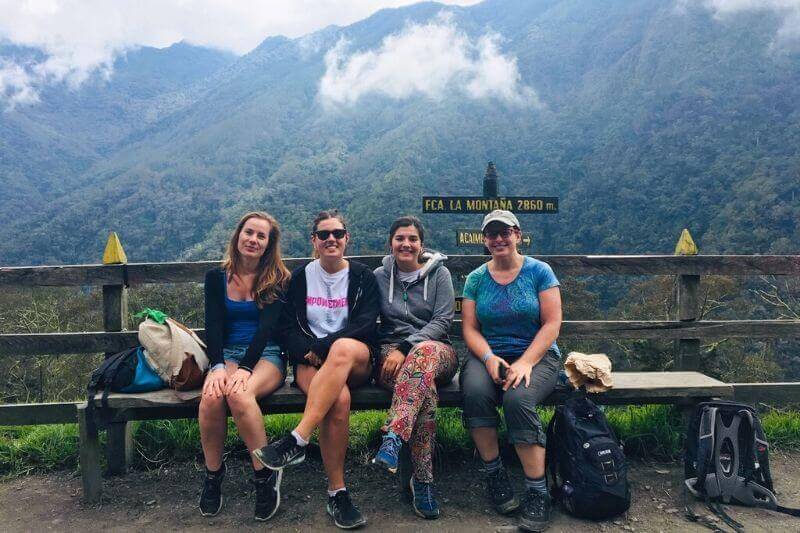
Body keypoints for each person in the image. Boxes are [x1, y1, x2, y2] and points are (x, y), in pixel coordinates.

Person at [253, 209, 379, 530]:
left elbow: (365, 324)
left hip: (356, 358)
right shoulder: (299, 279)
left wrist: (326, 347)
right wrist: (309, 351)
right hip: (310, 360)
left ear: (347, 238)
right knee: (338, 400)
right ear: (314, 241)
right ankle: (337, 492)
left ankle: (297, 439)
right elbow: (285, 328)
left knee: (343, 348)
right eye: (324, 235)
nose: (331, 239)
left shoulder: (363, 276)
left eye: (337, 233)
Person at [460, 209, 562, 533]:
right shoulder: (476, 279)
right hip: (489, 355)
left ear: (518, 234)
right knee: (475, 392)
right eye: (492, 234)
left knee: (517, 398)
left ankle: (537, 491)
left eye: (505, 232)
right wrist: (489, 357)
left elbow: (552, 323)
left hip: (537, 354)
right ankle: (494, 474)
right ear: (485, 240)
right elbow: (470, 329)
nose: (499, 239)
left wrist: (526, 361)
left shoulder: (539, 272)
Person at [198, 211, 291, 521]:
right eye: (249, 232)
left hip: (266, 356)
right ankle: (213, 476)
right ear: (238, 236)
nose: (253, 239)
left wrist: (245, 369)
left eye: (261, 236)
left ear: (268, 245)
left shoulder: (277, 280)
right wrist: (217, 366)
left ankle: (265, 475)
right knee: (211, 397)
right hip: (226, 355)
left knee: (239, 395)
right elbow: (213, 327)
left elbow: (266, 330)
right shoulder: (215, 278)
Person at [371, 215, 458, 519]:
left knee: (422, 357)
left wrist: (408, 347)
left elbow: (443, 320)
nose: (406, 244)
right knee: (427, 395)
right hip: (390, 352)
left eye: (412, 239)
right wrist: (389, 351)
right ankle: (422, 482)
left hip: (437, 350)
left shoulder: (440, 274)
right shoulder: (380, 277)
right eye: (400, 238)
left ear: (421, 244)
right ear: (391, 243)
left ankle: (394, 435)